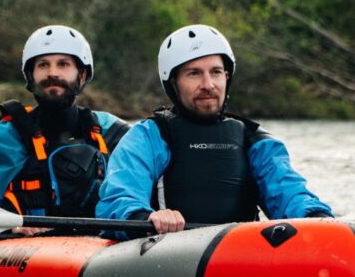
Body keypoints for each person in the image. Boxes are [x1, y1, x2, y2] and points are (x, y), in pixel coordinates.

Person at [96, 24, 331, 234]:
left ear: (227, 77)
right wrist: (144, 218)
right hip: (167, 258)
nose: (208, 85)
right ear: (173, 82)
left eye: (216, 72)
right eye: (194, 73)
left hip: (239, 259)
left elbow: (289, 192)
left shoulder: (255, 140)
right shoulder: (149, 136)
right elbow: (119, 196)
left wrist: (316, 218)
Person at [0, 25, 130, 233]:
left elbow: (136, 194)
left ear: (82, 75)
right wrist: (10, 228)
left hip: (100, 250)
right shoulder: (2, 139)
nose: (52, 73)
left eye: (63, 64)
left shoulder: (112, 133)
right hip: (20, 249)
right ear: (31, 76)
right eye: (43, 65)